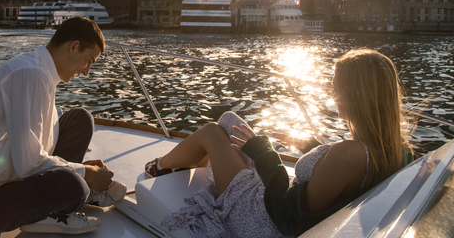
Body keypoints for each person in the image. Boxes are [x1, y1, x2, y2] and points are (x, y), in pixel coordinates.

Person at [144, 48, 413, 237]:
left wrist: (264, 154)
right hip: (275, 207)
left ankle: (159, 166)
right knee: (229, 120)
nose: (332, 95)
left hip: (264, 222)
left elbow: (286, 217)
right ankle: (190, 169)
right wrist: (309, 146)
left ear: (355, 94)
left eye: (335, 86)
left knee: (214, 132)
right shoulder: (398, 150)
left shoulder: (349, 155)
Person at [0, 17, 126, 237]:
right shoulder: (30, 74)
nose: (87, 71)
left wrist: (76, 168)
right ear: (74, 46)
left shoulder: (39, 69)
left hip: (6, 179)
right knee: (74, 186)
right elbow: (28, 164)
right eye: (89, 60)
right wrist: (85, 172)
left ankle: (56, 202)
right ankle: (54, 210)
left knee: (81, 119)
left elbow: (34, 150)